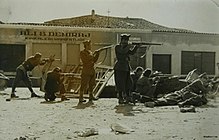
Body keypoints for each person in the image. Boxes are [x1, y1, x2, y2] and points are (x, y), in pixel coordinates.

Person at [145, 72, 211, 107]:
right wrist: (209, 88)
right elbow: (204, 91)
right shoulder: (199, 81)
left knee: (171, 99)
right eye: (205, 78)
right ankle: (183, 103)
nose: (206, 80)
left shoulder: (198, 82)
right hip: (186, 93)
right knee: (171, 100)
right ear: (202, 77)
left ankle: (152, 102)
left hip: (184, 93)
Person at [114, 34, 140, 104]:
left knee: (128, 83)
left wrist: (136, 47)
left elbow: (131, 52)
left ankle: (128, 97)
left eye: (127, 40)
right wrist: (129, 46)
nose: (126, 42)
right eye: (124, 40)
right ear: (121, 40)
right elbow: (123, 51)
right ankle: (120, 98)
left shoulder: (126, 47)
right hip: (119, 67)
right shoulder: (118, 47)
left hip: (126, 67)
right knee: (120, 83)